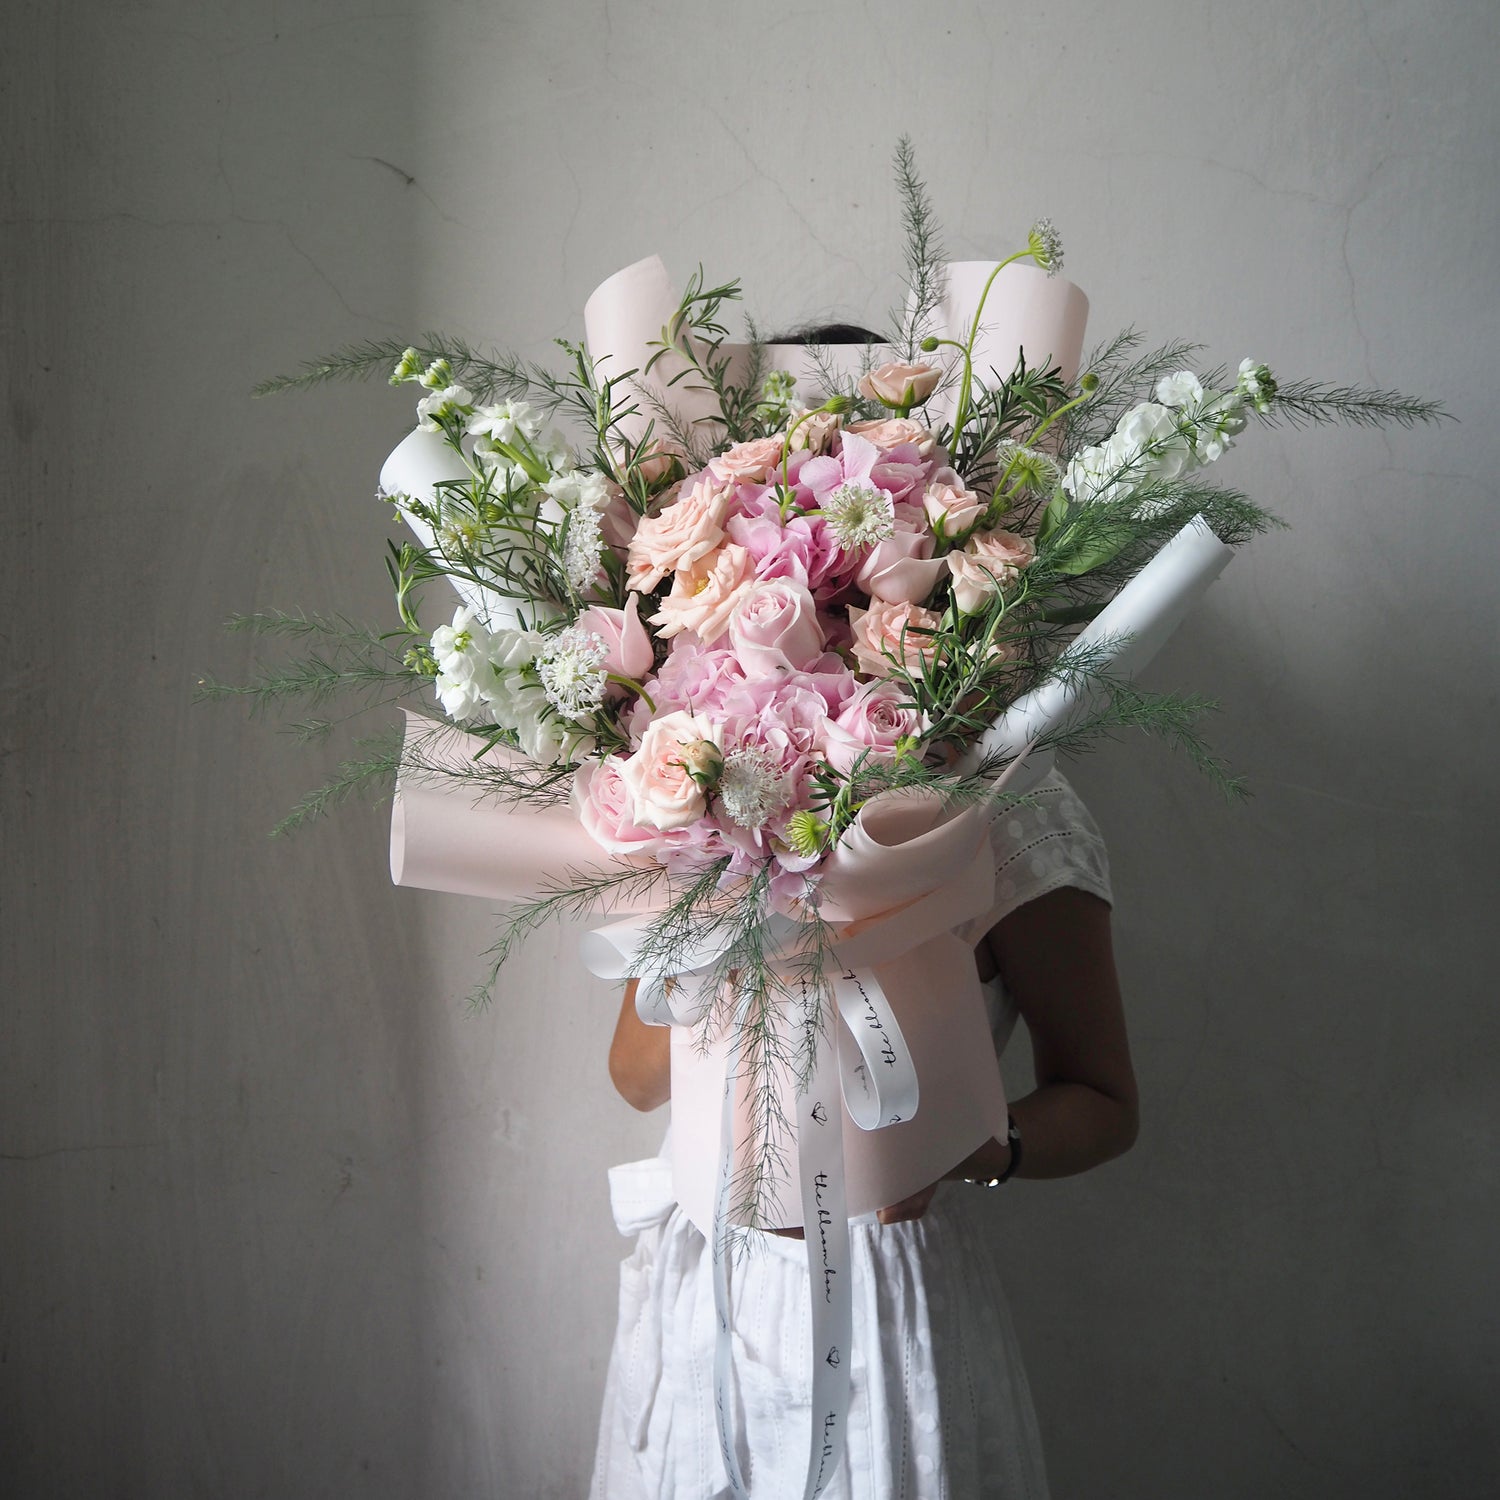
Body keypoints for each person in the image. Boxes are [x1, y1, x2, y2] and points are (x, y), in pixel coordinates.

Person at [590, 765, 1138, 1499]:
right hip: (704, 1274)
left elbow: (1103, 1100)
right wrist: (730, 899)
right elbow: (635, 1077)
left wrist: (977, 1148)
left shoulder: (1015, 810)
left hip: (880, 1297)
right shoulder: (715, 779)